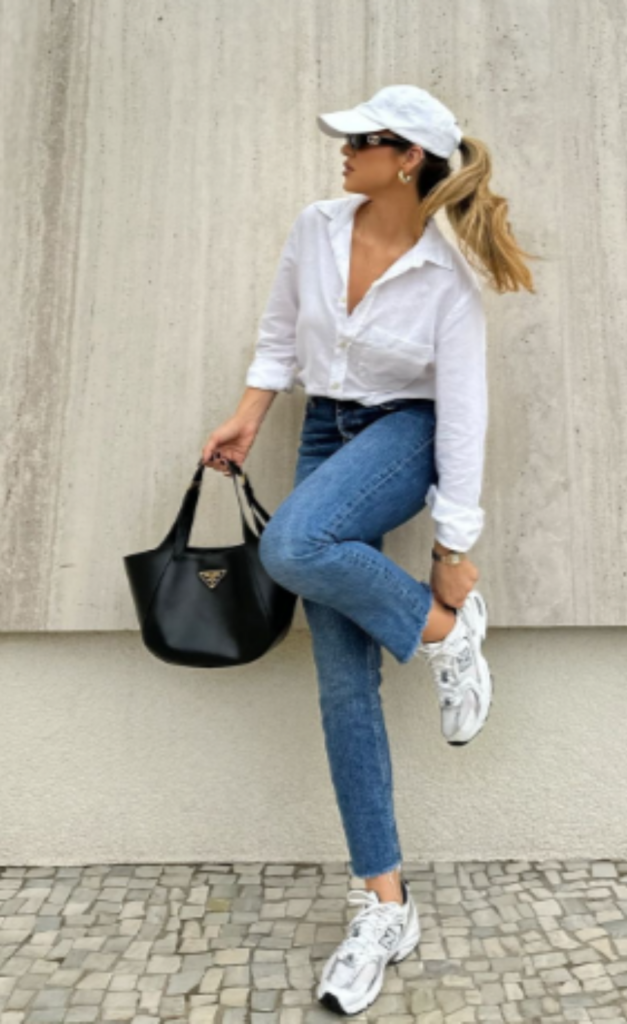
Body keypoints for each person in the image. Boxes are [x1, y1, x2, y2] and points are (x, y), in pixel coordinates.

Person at [201, 84, 537, 1017]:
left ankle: (440, 626)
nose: (343, 149)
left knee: (296, 543)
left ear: (410, 161)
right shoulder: (316, 226)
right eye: (346, 136)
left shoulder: (450, 272)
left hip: (404, 434)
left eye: (365, 139)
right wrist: (245, 415)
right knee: (342, 681)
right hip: (323, 431)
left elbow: (462, 414)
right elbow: (279, 338)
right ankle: (381, 905)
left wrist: (452, 549)